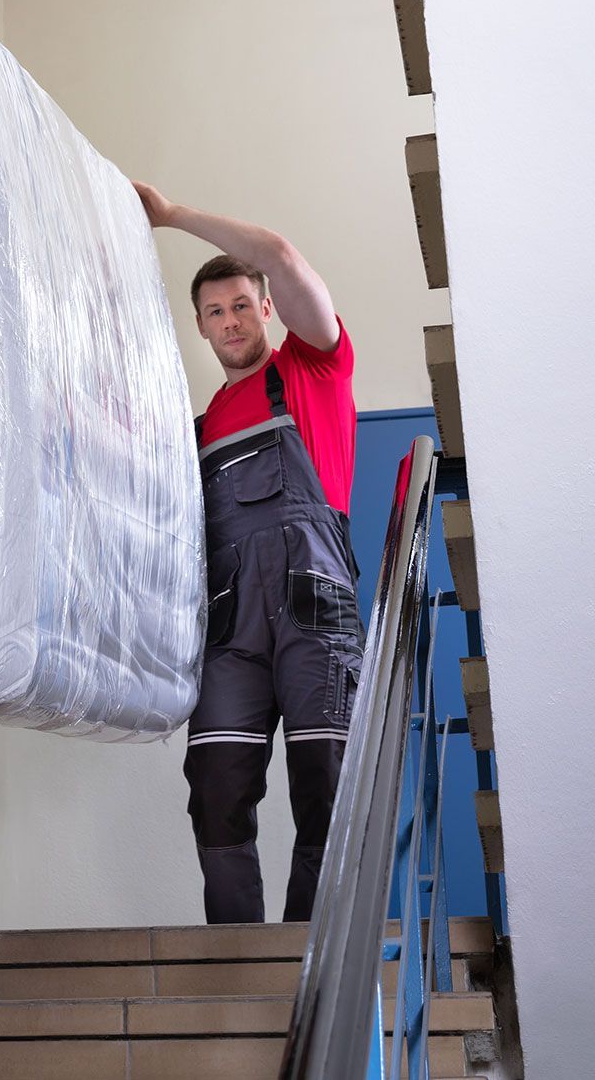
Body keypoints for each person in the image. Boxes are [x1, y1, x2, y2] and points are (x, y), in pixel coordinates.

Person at [135, 180, 364, 924]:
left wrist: (171, 217)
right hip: (232, 633)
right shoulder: (194, 432)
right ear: (199, 328)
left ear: (266, 308)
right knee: (216, 791)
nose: (230, 320)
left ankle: (305, 958)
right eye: (214, 312)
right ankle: (237, 953)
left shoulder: (311, 370)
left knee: (323, 787)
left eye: (241, 304)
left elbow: (281, 255)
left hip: (312, 615)